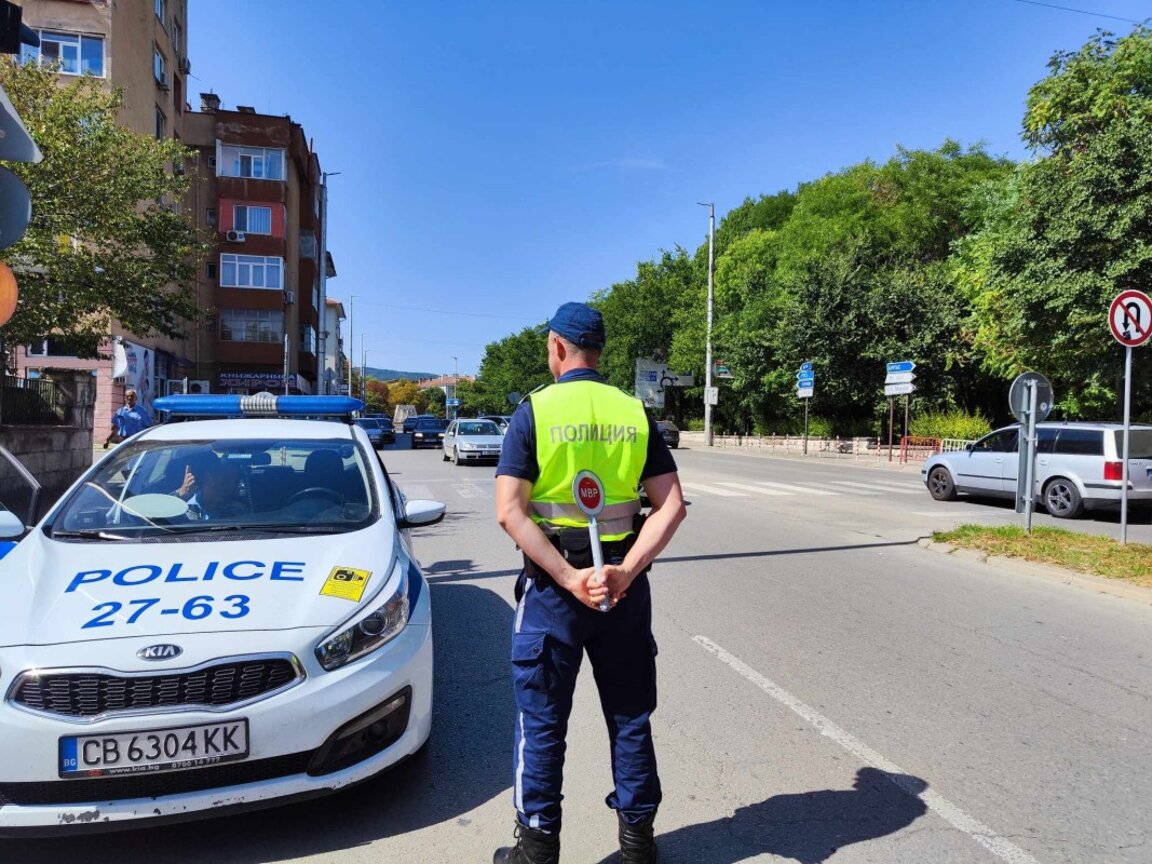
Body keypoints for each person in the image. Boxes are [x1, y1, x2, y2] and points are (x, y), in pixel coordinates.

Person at [493, 302, 687, 864]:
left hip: (557, 592)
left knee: (542, 722)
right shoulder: (632, 411)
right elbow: (671, 505)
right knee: (630, 717)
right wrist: (626, 571)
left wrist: (570, 577)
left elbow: (510, 512)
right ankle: (637, 847)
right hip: (624, 590)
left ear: (558, 347)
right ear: (598, 351)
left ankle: (536, 850)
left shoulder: (536, 411)